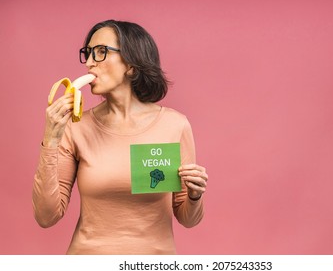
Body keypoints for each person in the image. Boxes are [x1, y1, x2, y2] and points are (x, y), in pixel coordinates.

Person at [32, 19, 208, 255]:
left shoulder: (174, 126)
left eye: (101, 52)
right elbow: (46, 216)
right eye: (88, 53)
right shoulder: (76, 127)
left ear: (132, 65)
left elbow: (188, 219)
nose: (90, 63)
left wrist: (195, 195)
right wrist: (50, 141)